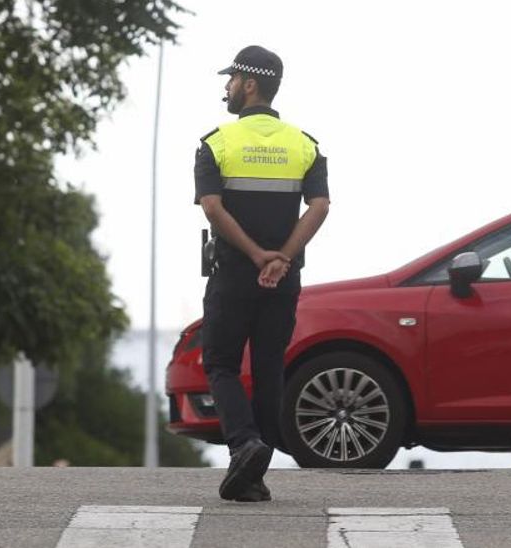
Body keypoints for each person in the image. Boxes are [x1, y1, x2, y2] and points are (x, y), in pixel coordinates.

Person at [194, 45, 330, 502]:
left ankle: (243, 445)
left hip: (234, 273)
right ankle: (252, 476)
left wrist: (255, 255)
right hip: (284, 279)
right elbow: (320, 205)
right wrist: (283, 258)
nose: (227, 87)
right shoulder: (305, 145)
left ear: (249, 84)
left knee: (219, 363)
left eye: (232, 79)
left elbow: (212, 208)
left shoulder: (217, 143)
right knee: (270, 369)